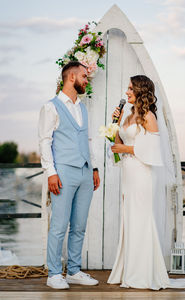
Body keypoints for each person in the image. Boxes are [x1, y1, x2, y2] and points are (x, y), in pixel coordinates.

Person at [107, 75, 185, 289]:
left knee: (142, 219)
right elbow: (118, 144)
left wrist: (125, 149)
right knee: (129, 220)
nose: (126, 92)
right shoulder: (129, 116)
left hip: (143, 174)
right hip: (129, 173)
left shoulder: (148, 116)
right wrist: (116, 126)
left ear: (140, 90)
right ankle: (130, 270)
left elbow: (152, 150)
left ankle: (144, 273)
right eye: (127, 88)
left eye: (130, 88)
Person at [38, 61, 100, 289]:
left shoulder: (83, 107)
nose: (87, 80)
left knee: (80, 225)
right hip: (63, 172)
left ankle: (73, 270)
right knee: (59, 224)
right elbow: (45, 142)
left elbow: (88, 139)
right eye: (84, 76)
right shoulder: (51, 106)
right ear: (71, 77)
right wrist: (51, 173)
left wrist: (94, 168)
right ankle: (54, 273)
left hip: (85, 172)